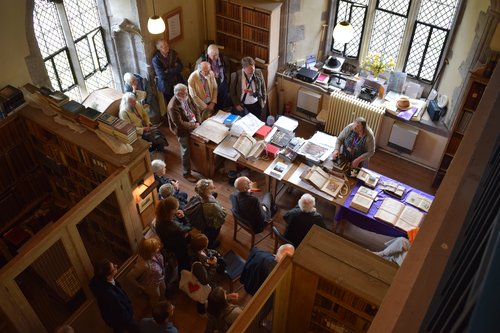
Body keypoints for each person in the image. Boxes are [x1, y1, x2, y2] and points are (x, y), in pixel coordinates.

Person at [89, 259, 140, 333]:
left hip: (111, 316)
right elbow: (123, 314)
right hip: (123, 318)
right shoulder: (111, 295)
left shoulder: (98, 280)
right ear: (108, 276)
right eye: (114, 268)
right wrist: (130, 312)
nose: (116, 266)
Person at [167, 83, 201, 183]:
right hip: (182, 130)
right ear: (177, 94)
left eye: (186, 93)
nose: (186, 95)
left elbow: (195, 108)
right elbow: (179, 124)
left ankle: (198, 166)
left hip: (193, 122)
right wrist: (194, 125)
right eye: (183, 94)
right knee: (185, 150)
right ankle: (186, 173)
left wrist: (198, 121)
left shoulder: (186, 94)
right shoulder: (172, 107)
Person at [185, 179, 227, 249]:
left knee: (206, 232)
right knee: (212, 235)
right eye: (212, 187)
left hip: (203, 220)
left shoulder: (197, 196)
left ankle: (207, 237)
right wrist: (222, 208)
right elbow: (223, 214)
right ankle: (211, 245)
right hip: (211, 224)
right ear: (207, 192)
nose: (214, 187)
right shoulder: (213, 206)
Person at [155, 196, 191, 272]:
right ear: (171, 212)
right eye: (176, 209)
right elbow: (188, 227)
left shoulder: (158, 219)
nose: (177, 210)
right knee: (184, 261)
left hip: (168, 243)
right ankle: (185, 272)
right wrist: (183, 218)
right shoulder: (175, 227)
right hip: (179, 246)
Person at [127, 237, 166, 306]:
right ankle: (156, 310)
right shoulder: (142, 265)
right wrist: (140, 287)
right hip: (152, 285)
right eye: (156, 248)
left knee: (163, 290)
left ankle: (163, 306)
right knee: (156, 297)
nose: (159, 247)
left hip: (160, 278)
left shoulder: (155, 254)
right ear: (150, 251)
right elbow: (130, 276)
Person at [196, 44, 231, 111]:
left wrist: (227, 80)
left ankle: (221, 111)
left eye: (217, 55)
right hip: (210, 83)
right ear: (208, 55)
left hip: (222, 81)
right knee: (213, 99)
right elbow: (198, 74)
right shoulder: (202, 61)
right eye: (213, 56)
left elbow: (227, 68)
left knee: (223, 97)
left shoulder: (223, 58)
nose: (216, 57)